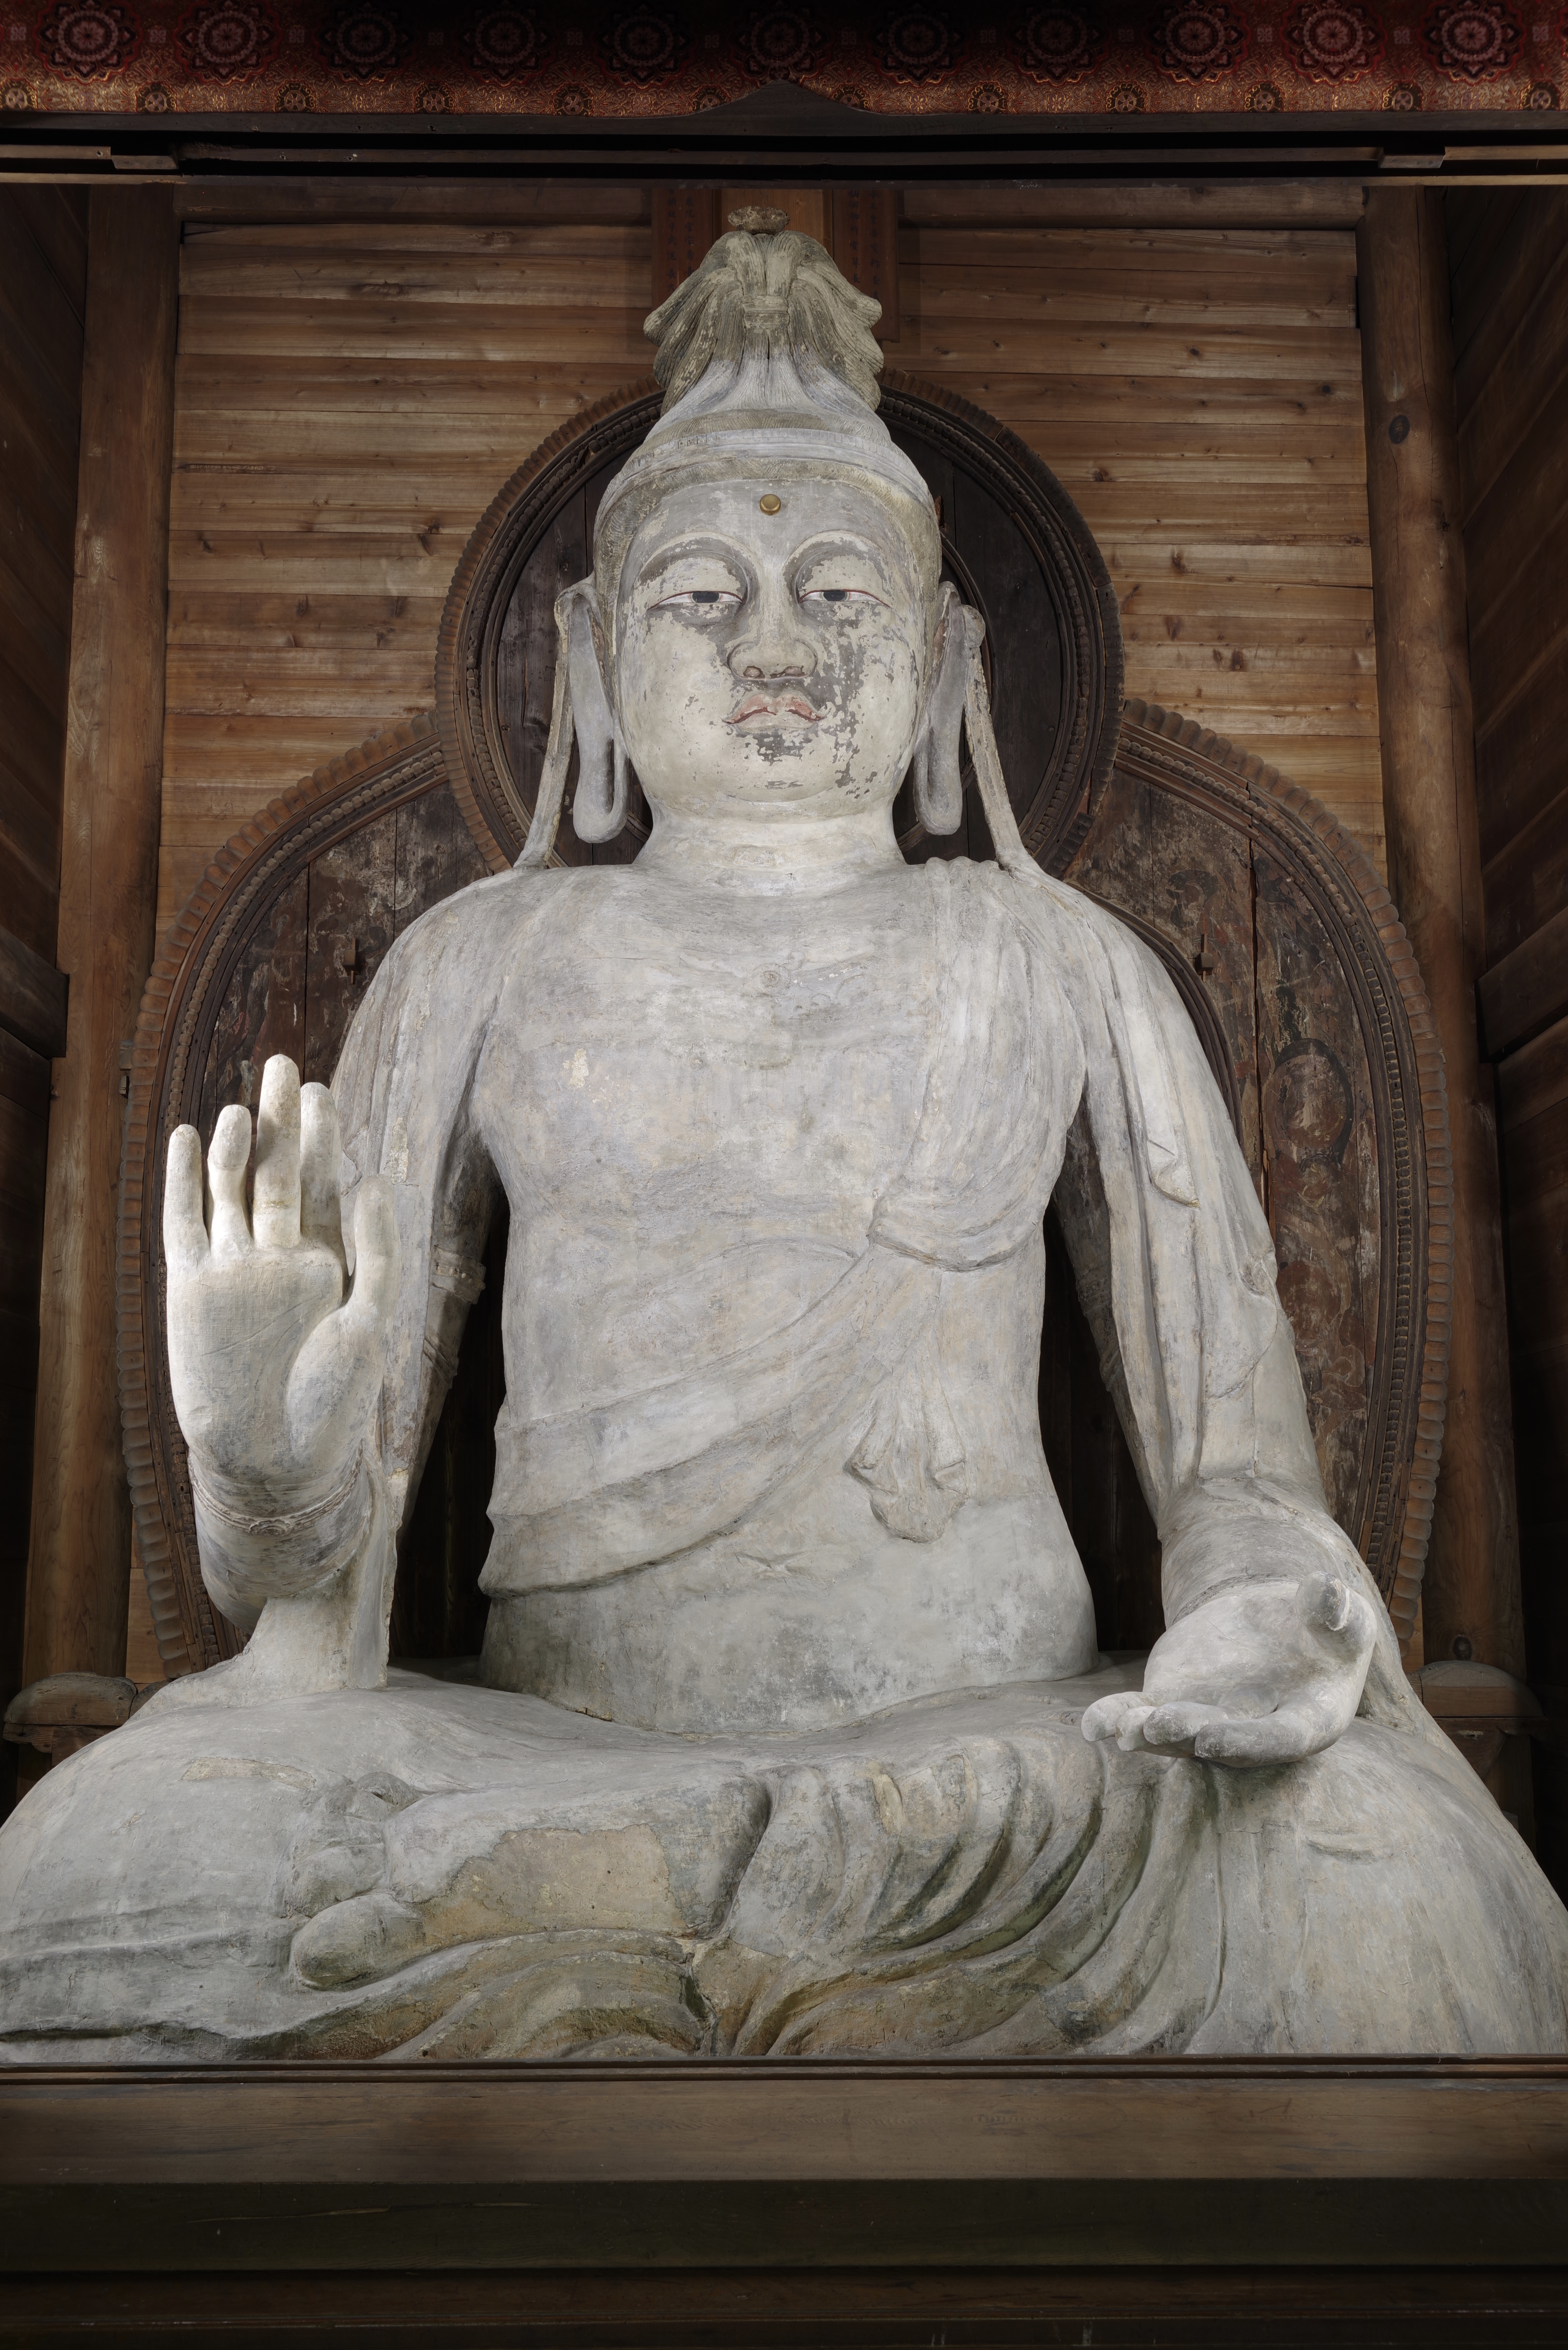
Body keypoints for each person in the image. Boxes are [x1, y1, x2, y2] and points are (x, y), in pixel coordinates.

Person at [2, 227, 1564, 2060]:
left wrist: (1250, 1617)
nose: (773, 647)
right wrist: (265, 1469)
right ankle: (689, 1907)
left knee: (1388, 1890)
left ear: (944, 657)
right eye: (702, 595)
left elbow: (1237, 1470)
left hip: (992, 1749)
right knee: (89, 1868)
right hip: (547, 1742)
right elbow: (304, 1627)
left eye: (835, 595)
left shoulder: (1057, 962)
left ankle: (632, 1929)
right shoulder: (479, 964)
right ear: (589, 652)